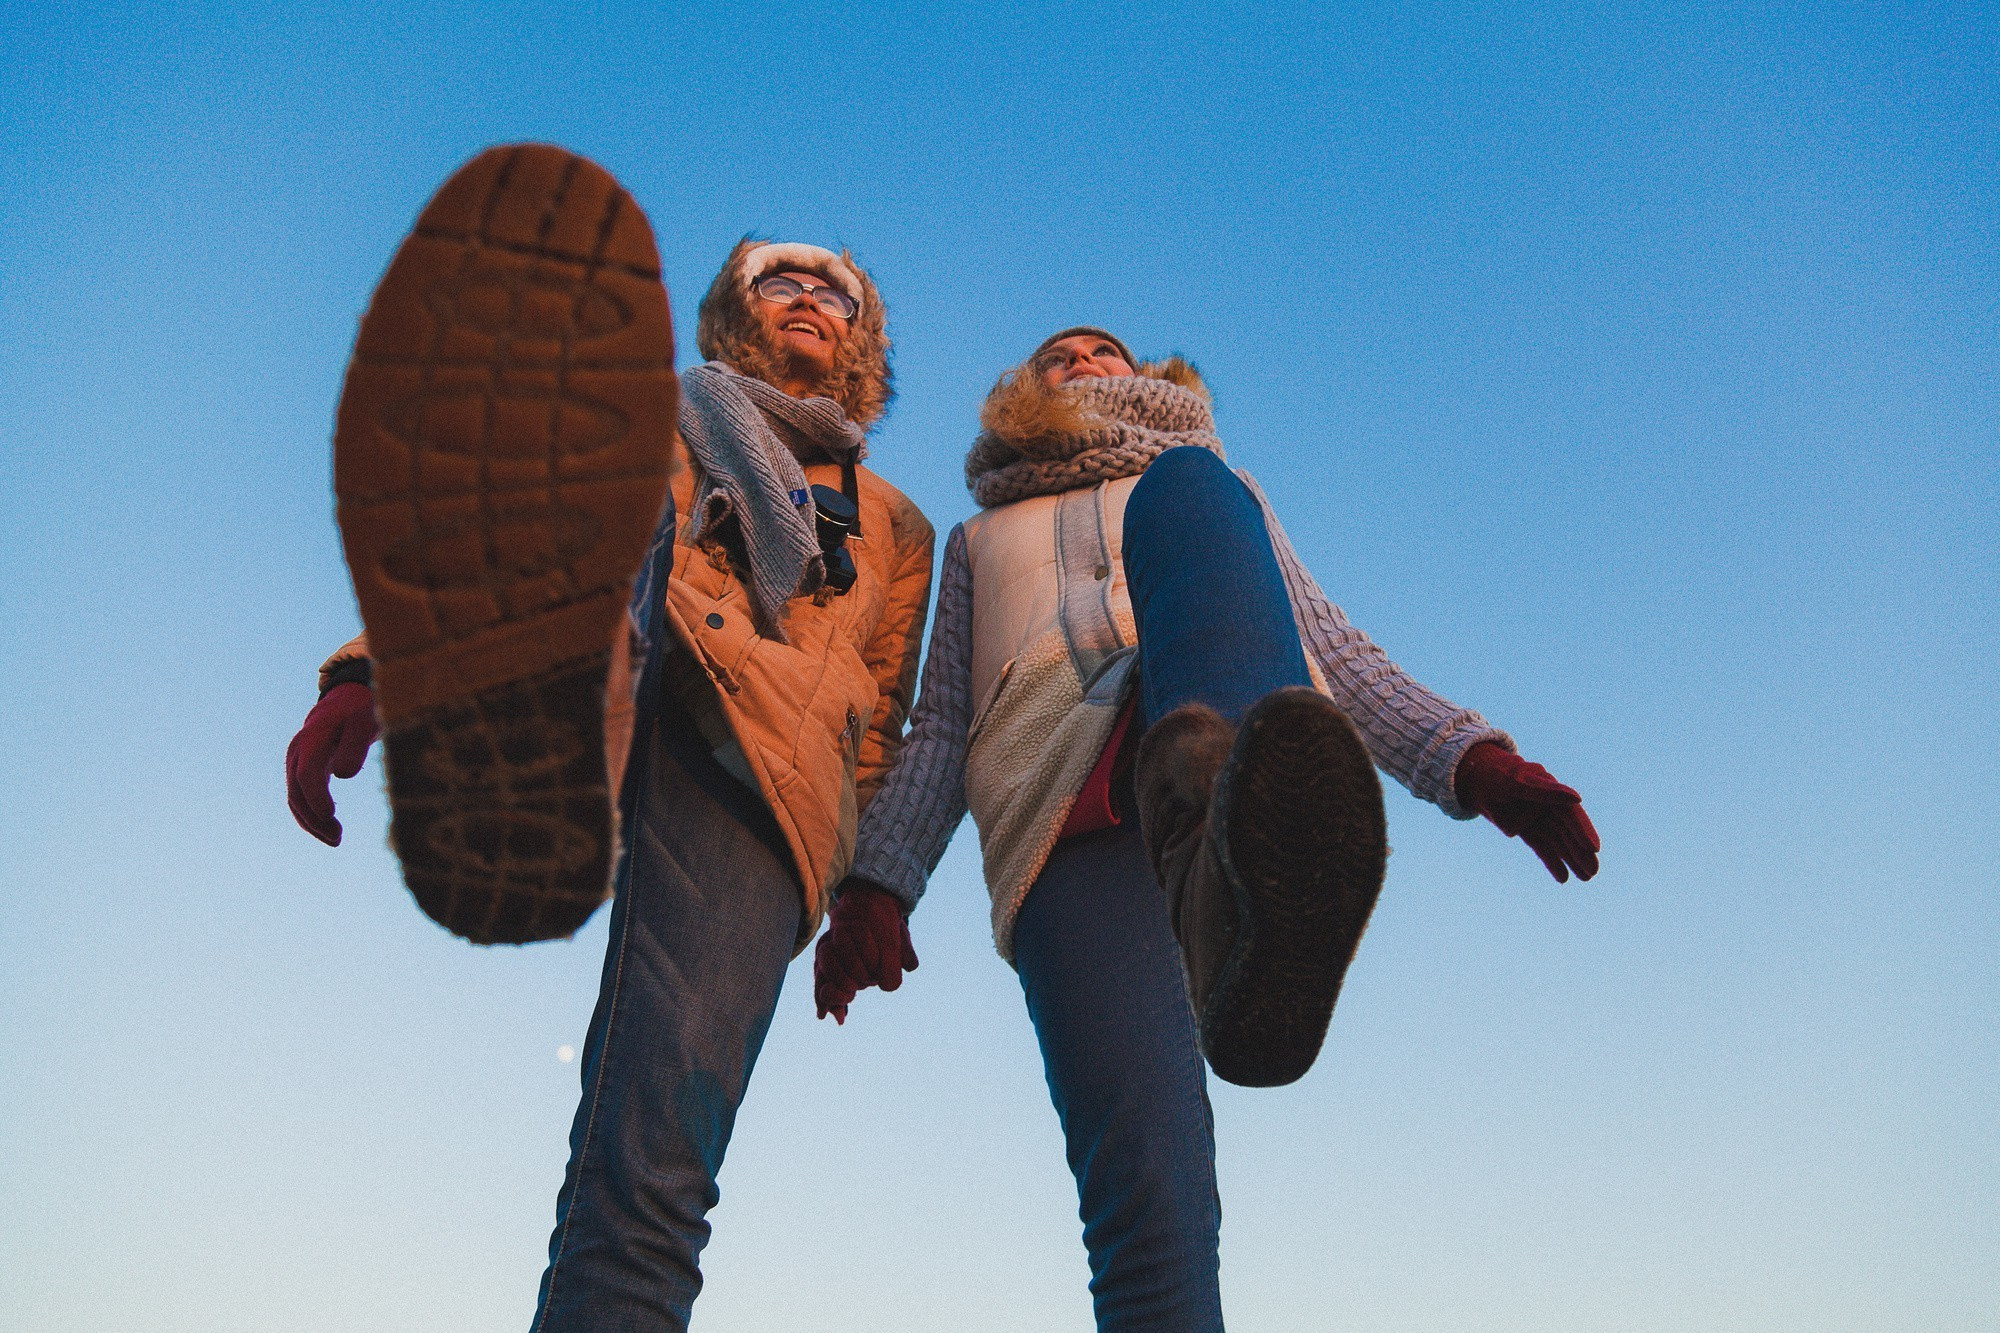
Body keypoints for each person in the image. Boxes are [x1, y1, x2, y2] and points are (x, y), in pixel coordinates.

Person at [814, 327, 1598, 1330]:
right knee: (1151, 1193)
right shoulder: (978, 538)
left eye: (1105, 348)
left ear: (1143, 375)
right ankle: (1230, 908)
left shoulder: (1212, 491)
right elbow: (937, 728)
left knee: (1189, 486)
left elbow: (1334, 651)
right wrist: (876, 887)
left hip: (1230, 741)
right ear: (1025, 388)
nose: (1085, 359)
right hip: (1064, 815)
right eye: (1060, 354)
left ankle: (1239, 839)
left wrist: (1472, 761)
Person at [283, 144, 933, 1331]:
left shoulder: (894, 522)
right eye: (776, 283)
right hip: (639, 646)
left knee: (651, 1170)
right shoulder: (675, 414)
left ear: (862, 340)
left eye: (832, 291)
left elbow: (879, 717)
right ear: (737, 316)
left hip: (761, 762)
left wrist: (866, 893)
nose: (805, 299)